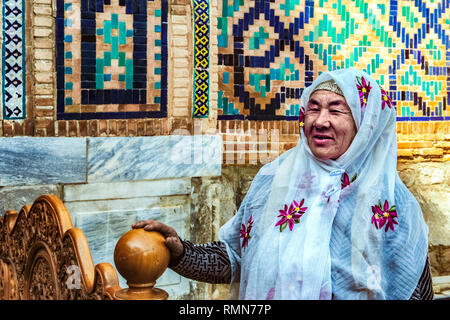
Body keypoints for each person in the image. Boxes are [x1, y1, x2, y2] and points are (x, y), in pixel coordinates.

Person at [132, 68, 433, 300]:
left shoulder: (391, 205)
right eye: (313, 108)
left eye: (336, 110)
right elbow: (235, 257)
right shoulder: (274, 180)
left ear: (365, 126)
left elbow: (413, 285)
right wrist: (181, 253)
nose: (320, 121)